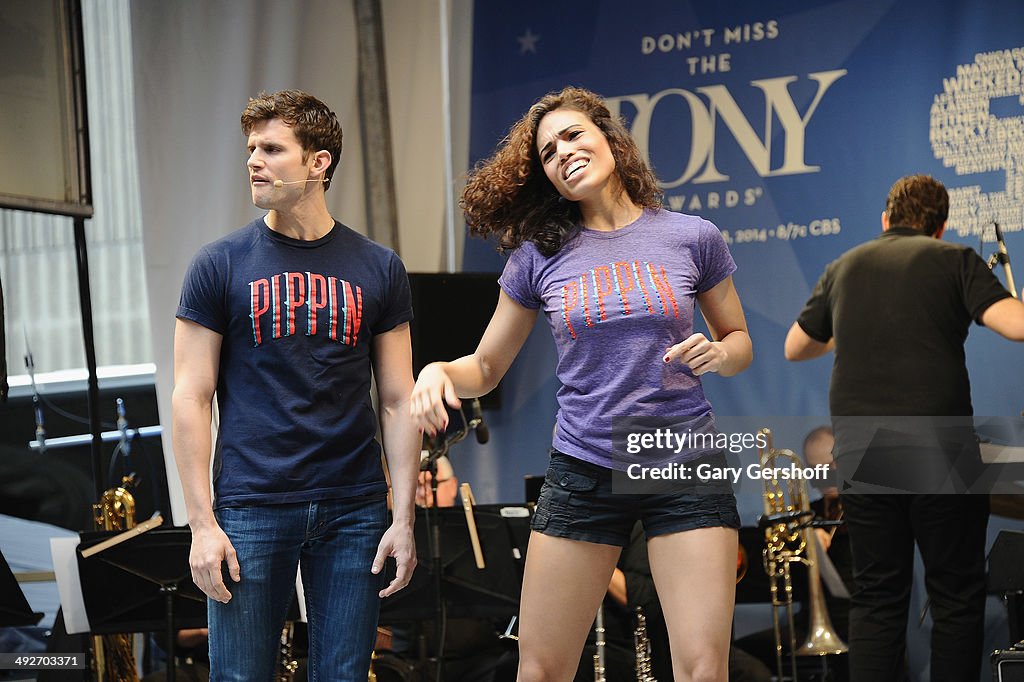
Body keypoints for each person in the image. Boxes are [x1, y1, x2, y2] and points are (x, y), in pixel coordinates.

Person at [410, 86, 752, 682]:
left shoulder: (691, 236)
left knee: (702, 667)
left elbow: (741, 340)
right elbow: (487, 368)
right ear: (545, 176)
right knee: (541, 668)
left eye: (573, 135)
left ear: (609, 139)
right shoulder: (538, 256)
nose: (563, 152)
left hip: (680, 458)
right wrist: (438, 370)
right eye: (547, 152)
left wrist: (720, 353)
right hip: (584, 463)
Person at [172, 89, 419, 682]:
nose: (253, 161)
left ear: (318, 163)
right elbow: (190, 396)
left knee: (343, 674)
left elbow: (397, 398)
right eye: (251, 148)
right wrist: (202, 524)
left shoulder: (379, 266)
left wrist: (403, 519)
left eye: (272, 148)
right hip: (250, 505)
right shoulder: (219, 264)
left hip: (354, 506)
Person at [785, 174, 1024, 681]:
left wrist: (847, 331)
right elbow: (1016, 325)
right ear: (939, 228)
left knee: (877, 601)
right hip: (940, 451)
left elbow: (795, 346)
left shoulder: (843, 267)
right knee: (957, 598)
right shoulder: (952, 259)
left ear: (885, 220)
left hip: (864, 453)